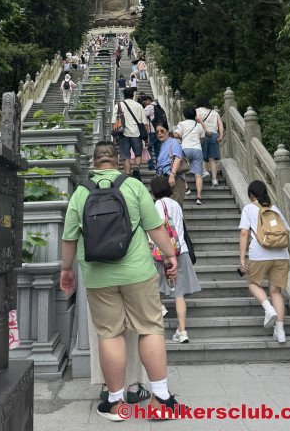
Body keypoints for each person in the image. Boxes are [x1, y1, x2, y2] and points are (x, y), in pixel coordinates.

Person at [60, 141, 185, 421]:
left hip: (98, 275)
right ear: (118, 161)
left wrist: (66, 270)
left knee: (110, 334)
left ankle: (116, 403)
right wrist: (170, 256)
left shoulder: (80, 193)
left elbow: (69, 238)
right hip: (137, 272)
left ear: (93, 162)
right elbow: (155, 227)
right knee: (150, 328)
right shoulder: (133, 187)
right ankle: (161, 400)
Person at [150, 176, 201, 343]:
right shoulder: (176, 205)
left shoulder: (158, 204)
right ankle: (182, 331)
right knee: (179, 293)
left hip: (164, 252)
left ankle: (159, 308)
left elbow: (157, 227)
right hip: (181, 250)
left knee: (154, 283)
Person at [239, 180, 290, 343]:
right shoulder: (274, 209)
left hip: (260, 253)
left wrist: (242, 258)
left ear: (251, 195)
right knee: (276, 291)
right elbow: (286, 231)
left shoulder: (249, 208)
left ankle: (268, 308)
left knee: (253, 283)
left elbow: (244, 234)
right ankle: (280, 332)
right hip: (281, 254)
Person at [174, 106, 205, 204]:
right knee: (198, 175)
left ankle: (187, 188)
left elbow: (176, 135)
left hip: (185, 149)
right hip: (197, 149)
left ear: (184, 115)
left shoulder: (182, 124)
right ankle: (199, 198)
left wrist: (181, 136)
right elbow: (202, 138)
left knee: (180, 170)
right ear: (194, 115)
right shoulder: (199, 125)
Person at [112, 87, 147, 175]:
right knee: (138, 154)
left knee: (126, 157)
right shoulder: (139, 106)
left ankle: (127, 174)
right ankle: (136, 168)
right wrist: (146, 137)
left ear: (124, 95)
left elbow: (113, 122)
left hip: (123, 134)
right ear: (132, 95)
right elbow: (144, 123)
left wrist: (115, 136)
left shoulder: (118, 106)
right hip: (137, 134)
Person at [154, 122, 186, 208]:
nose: (159, 133)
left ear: (167, 132)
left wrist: (172, 174)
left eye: (162, 131)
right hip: (165, 180)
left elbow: (178, 158)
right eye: (157, 132)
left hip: (175, 179)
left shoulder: (173, 142)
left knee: (175, 208)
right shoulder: (163, 145)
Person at [195, 95, 224, 186]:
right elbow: (220, 124)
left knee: (200, 155)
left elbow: (198, 119)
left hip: (203, 134)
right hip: (214, 135)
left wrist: (205, 128)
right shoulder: (214, 112)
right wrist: (221, 136)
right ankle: (214, 180)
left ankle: (205, 172)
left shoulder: (198, 110)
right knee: (212, 159)